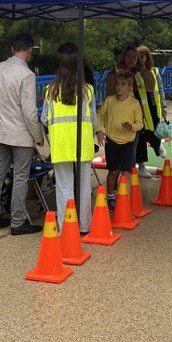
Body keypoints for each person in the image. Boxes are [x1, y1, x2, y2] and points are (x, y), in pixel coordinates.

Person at [0, 33, 45, 235]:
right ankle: (17, 222)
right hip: (21, 134)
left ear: (12, 49)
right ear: (30, 50)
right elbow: (29, 112)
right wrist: (38, 136)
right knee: (20, 176)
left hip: (1, 130)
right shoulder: (27, 75)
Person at [40, 43, 97, 233]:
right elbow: (94, 120)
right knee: (83, 185)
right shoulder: (88, 90)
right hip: (83, 143)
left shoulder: (50, 90)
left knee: (64, 187)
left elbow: (44, 119)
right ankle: (84, 226)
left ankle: (66, 228)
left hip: (61, 144)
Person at [97, 71, 143, 211]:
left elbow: (140, 124)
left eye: (123, 84)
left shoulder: (134, 104)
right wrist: (99, 130)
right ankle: (111, 196)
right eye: (117, 84)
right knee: (113, 171)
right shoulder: (110, 101)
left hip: (128, 142)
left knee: (126, 173)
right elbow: (99, 116)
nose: (119, 87)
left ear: (129, 87)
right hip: (112, 141)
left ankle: (124, 197)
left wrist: (131, 127)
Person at [105, 46, 152, 178]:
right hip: (116, 120)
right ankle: (114, 187)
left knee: (130, 155)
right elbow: (109, 97)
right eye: (128, 57)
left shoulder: (138, 73)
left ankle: (126, 187)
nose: (131, 60)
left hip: (133, 120)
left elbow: (151, 86)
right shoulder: (114, 73)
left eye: (134, 57)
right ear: (123, 57)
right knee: (115, 159)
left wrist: (144, 69)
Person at [135, 45, 169, 169]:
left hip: (154, 106)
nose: (140, 60)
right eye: (137, 57)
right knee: (141, 135)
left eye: (142, 57)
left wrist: (164, 106)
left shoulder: (154, 71)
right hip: (140, 108)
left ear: (147, 57)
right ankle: (142, 165)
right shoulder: (133, 73)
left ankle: (157, 144)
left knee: (155, 129)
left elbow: (160, 89)